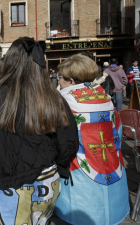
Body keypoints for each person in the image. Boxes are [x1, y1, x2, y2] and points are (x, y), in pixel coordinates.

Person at [0, 38, 79, 225]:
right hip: (46, 178)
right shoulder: (54, 97)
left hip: (7, 179)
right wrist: (59, 165)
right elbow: (68, 141)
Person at [55, 54, 130, 225]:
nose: (59, 81)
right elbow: (118, 129)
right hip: (110, 161)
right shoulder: (104, 96)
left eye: (60, 77)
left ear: (71, 80)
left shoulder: (63, 101)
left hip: (79, 169)